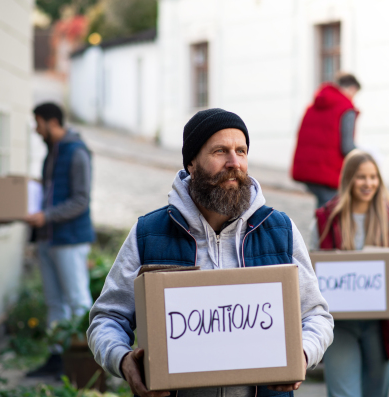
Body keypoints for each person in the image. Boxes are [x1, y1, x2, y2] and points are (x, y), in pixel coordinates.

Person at [87, 108, 334, 397]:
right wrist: (123, 359)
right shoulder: (148, 233)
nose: (234, 163)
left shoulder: (279, 230)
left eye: (241, 151)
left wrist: (302, 354)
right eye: (220, 151)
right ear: (192, 163)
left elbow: (316, 316)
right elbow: (107, 319)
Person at [312, 150, 389, 397]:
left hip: (381, 326)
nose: (368, 183)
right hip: (339, 326)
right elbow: (312, 273)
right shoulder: (326, 219)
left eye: (373, 177)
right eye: (361, 177)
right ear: (349, 179)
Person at [25, 102, 95, 377]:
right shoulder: (51, 153)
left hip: (70, 238)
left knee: (78, 300)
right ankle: (57, 359)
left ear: (52, 122)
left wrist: (47, 216)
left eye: (38, 123)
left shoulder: (77, 152)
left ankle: (87, 362)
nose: (36, 129)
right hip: (48, 238)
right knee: (55, 303)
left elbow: (81, 200)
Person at [291, 73, 361, 208]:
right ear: (352, 88)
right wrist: (363, 157)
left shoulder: (314, 105)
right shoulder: (346, 107)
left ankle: (316, 229)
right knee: (331, 213)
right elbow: (347, 147)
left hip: (308, 169)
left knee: (322, 211)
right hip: (328, 172)